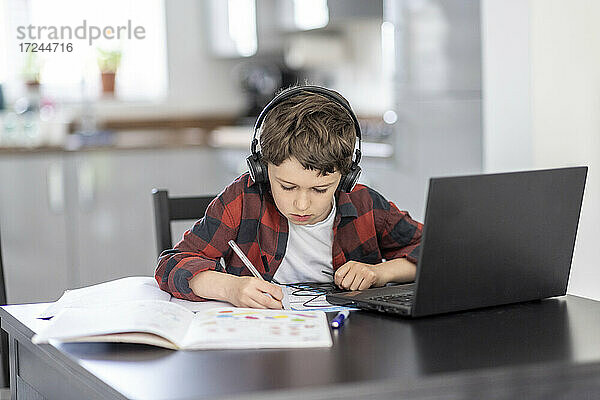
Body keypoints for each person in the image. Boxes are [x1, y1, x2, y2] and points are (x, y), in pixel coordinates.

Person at [155, 85, 422, 309]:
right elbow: (171, 265)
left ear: (347, 176)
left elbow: (432, 252)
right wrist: (230, 288)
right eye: (287, 186)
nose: (302, 204)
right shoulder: (244, 199)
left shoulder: (365, 204)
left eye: (320, 189)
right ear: (262, 169)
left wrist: (378, 273)